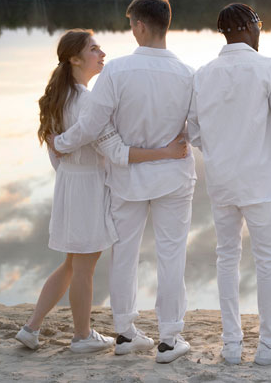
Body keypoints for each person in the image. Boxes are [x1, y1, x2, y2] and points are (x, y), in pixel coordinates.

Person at [15, 29, 188, 353]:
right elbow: (117, 151)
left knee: (71, 263)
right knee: (83, 266)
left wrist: (72, 172)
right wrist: (165, 152)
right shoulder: (87, 102)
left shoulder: (60, 98)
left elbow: (57, 155)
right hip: (88, 188)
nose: (102, 54)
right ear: (75, 59)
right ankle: (82, 336)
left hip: (70, 183)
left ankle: (31, 327)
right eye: (94, 49)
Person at [52, 0, 196, 363]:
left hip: (127, 176)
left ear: (139, 26)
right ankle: (169, 339)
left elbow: (93, 124)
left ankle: (126, 333)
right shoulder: (187, 73)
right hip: (172, 176)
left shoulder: (116, 71)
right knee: (171, 254)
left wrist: (63, 143)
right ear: (166, 23)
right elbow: (196, 127)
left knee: (124, 255)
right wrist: (182, 141)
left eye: (131, 23)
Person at [186, 3, 271, 365]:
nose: (260, 31)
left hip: (222, 181)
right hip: (260, 181)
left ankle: (231, 345)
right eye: (259, 25)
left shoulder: (203, 74)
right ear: (250, 26)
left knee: (226, 259)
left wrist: (219, 150)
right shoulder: (268, 68)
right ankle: (270, 344)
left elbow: (191, 129)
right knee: (267, 262)